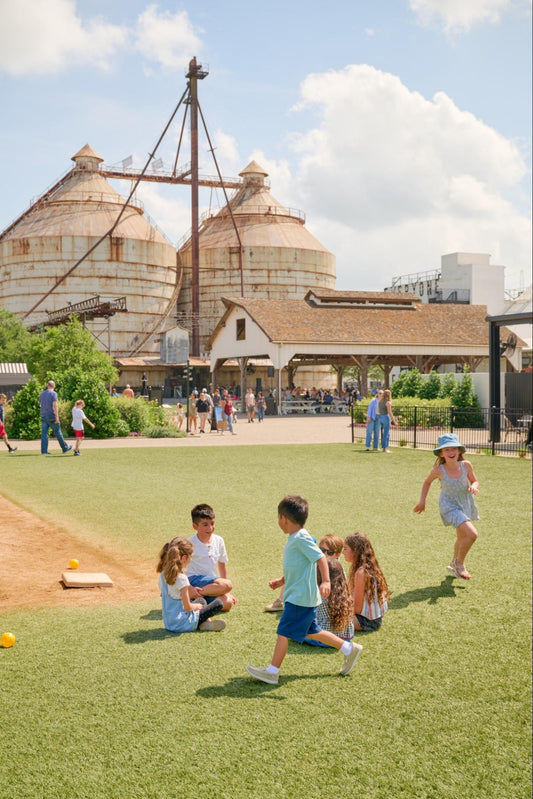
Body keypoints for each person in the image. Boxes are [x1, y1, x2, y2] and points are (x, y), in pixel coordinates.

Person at [246, 495, 362, 685]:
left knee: (283, 631)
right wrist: (282, 580)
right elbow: (299, 567)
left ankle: (272, 672)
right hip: (300, 596)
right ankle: (349, 649)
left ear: (283, 518)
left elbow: (320, 558)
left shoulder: (300, 538)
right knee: (311, 630)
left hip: (300, 598)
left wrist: (326, 581)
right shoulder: (296, 538)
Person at [413, 433, 479, 580]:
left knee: (462, 536)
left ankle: (453, 563)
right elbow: (427, 482)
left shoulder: (466, 465)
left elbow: (475, 480)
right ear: (441, 453)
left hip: (465, 503)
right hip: (449, 505)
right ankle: (460, 564)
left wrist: (474, 486)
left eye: (454, 449)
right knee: (472, 534)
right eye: (447, 450)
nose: (451, 452)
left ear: (459, 451)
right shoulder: (438, 470)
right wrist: (422, 501)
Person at [157, 537, 226, 632]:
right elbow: (187, 607)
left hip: (169, 623)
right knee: (218, 603)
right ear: (184, 558)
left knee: (201, 600)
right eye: (191, 557)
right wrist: (196, 607)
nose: (191, 560)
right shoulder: (182, 578)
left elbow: (172, 594)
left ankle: (205, 623)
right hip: (182, 624)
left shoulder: (163, 574)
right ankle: (204, 623)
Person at [186, 503, 238, 611]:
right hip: (193, 580)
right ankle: (190, 595)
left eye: (212, 523)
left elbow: (222, 564)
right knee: (227, 584)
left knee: (227, 603)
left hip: (211, 586)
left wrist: (225, 592)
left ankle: (197, 602)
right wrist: (189, 588)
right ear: (195, 526)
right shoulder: (189, 544)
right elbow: (178, 568)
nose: (210, 528)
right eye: (205, 524)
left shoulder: (219, 540)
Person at [343, 533, 389, 631]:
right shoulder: (368, 566)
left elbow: (357, 609)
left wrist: (341, 612)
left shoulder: (361, 573)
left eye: (345, 549)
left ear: (355, 550)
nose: (343, 552)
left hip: (366, 621)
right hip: (373, 618)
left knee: (328, 620)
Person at [39, 380, 72, 455]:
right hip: (51, 415)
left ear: (47, 385)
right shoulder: (54, 394)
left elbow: (41, 404)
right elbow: (55, 405)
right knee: (58, 432)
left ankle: (44, 451)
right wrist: (57, 416)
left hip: (44, 415)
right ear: (54, 386)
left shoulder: (42, 393)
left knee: (44, 433)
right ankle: (65, 448)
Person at [376, 388, 396, 453]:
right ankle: (385, 449)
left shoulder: (380, 401)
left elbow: (378, 410)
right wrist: (394, 420)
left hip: (380, 417)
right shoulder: (388, 402)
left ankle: (384, 447)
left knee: (385, 433)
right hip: (386, 417)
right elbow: (390, 412)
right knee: (386, 433)